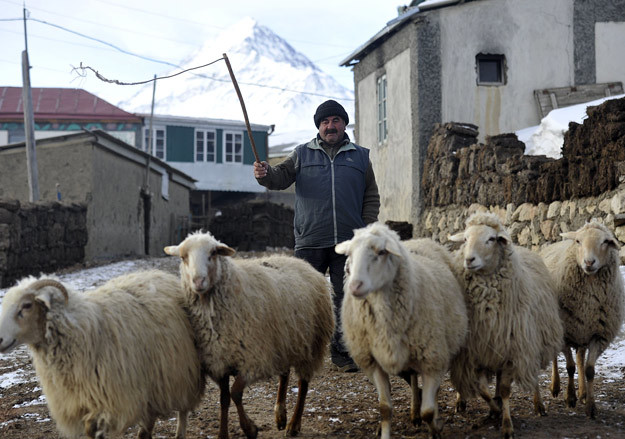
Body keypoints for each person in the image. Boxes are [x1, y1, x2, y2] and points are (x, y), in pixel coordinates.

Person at [253, 99, 380, 372]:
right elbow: (278, 178)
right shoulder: (302, 154)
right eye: (324, 122)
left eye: (335, 120)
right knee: (303, 298)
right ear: (318, 127)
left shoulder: (360, 156)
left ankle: (343, 353)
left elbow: (371, 195)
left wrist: (366, 229)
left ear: (344, 124)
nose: (330, 126)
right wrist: (264, 174)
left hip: (348, 243)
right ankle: (300, 352)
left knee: (345, 297)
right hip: (309, 239)